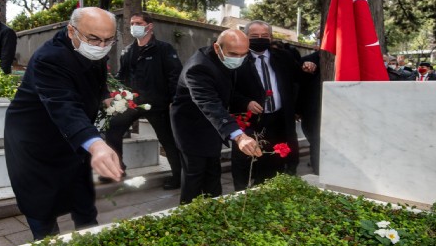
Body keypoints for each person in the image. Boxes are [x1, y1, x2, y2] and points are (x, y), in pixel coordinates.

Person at [4, 7, 124, 240]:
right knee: (41, 203)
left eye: (109, 40)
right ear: (72, 31)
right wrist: (97, 145)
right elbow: (63, 105)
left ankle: (90, 239)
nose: (101, 47)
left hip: (74, 139)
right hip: (37, 139)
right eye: (94, 39)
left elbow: (96, 81)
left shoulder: (92, 49)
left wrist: (105, 98)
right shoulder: (49, 58)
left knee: (82, 196)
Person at [170, 29, 262, 204]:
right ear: (217, 48)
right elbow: (209, 102)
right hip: (192, 127)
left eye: (244, 54)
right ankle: (188, 216)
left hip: (214, 126)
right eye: (234, 54)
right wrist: (239, 136)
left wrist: (245, 103)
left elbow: (224, 90)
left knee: (213, 171)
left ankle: (215, 209)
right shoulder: (198, 68)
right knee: (194, 175)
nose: (239, 59)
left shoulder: (227, 60)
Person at [103, 12, 182, 189]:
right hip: (133, 103)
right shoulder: (128, 51)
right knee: (113, 128)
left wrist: (173, 101)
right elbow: (121, 76)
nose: (134, 26)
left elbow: (175, 76)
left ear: (149, 26)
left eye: (138, 23)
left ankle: (178, 176)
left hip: (159, 104)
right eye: (132, 23)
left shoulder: (164, 49)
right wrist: (114, 90)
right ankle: (118, 169)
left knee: (168, 140)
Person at [229, 20, 301, 191]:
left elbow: (297, 81)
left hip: (278, 119)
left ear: (271, 37)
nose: (260, 39)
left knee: (273, 161)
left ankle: (267, 192)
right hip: (250, 122)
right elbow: (227, 90)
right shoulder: (237, 59)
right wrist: (245, 102)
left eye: (264, 36)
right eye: (254, 36)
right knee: (245, 162)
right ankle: (242, 196)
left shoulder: (283, 57)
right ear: (246, 37)